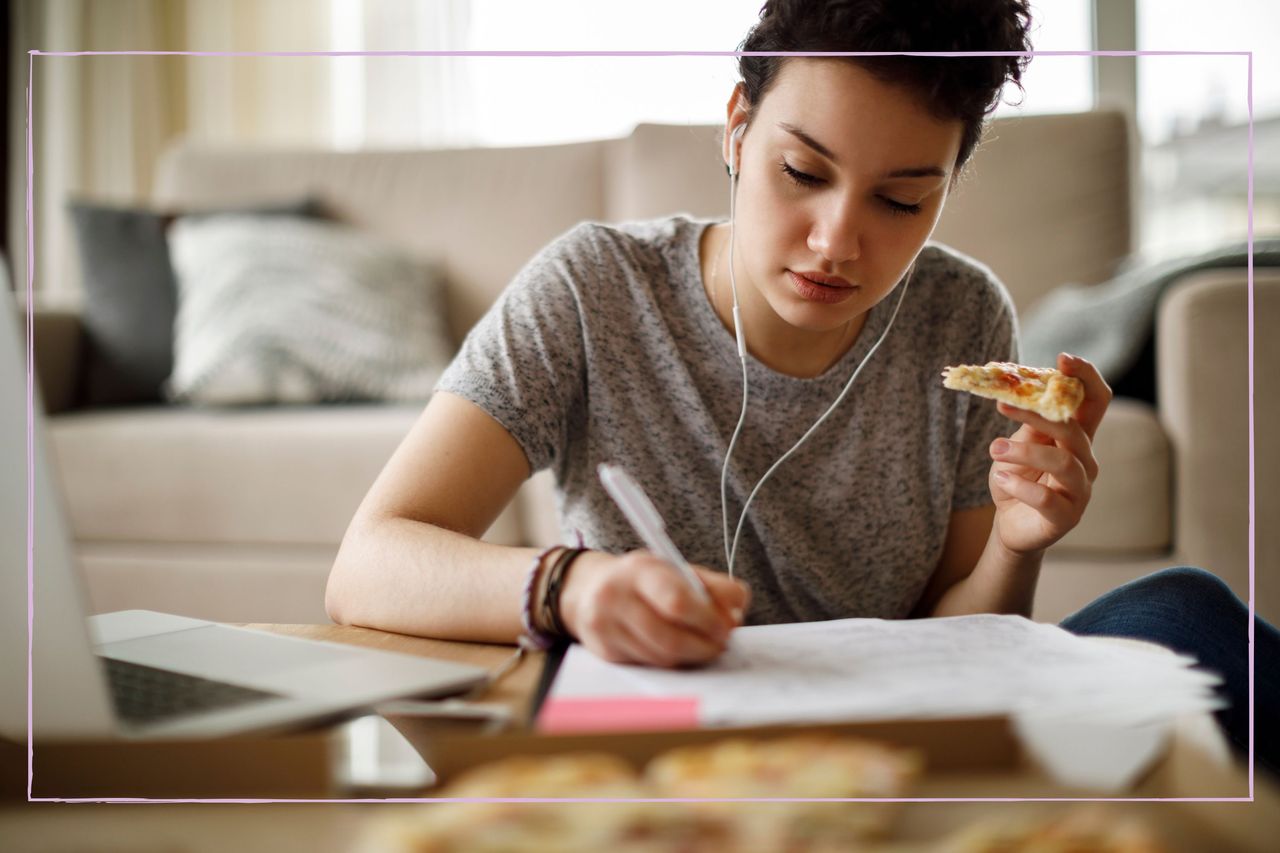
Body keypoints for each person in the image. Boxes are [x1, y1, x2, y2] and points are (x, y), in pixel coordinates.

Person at [326, 0, 1273, 771]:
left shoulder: (960, 312)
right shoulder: (593, 290)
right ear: (738, 129)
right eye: (801, 172)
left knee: (1185, 609)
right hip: (668, 735)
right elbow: (369, 562)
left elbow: (967, 643)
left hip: (891, 733)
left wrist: (1017, 543)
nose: (837, 242)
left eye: (902, 200)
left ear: (949, 183)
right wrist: (572, 586)